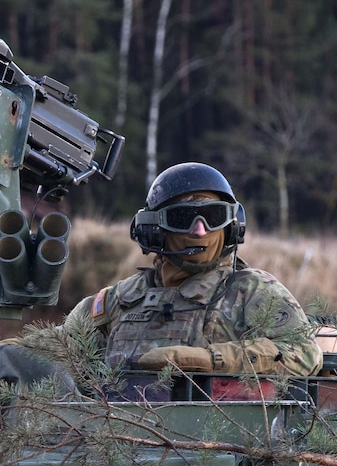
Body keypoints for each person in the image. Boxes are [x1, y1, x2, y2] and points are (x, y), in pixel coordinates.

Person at [63, 162, 322, 377]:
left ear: (232, 226)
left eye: (213, 217)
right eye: (182, 218)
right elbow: (52, 352)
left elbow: (304, 354)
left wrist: (205, 360)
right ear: (153, 228)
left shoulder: (251, 291)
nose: (200, 230)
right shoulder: (117, 301)